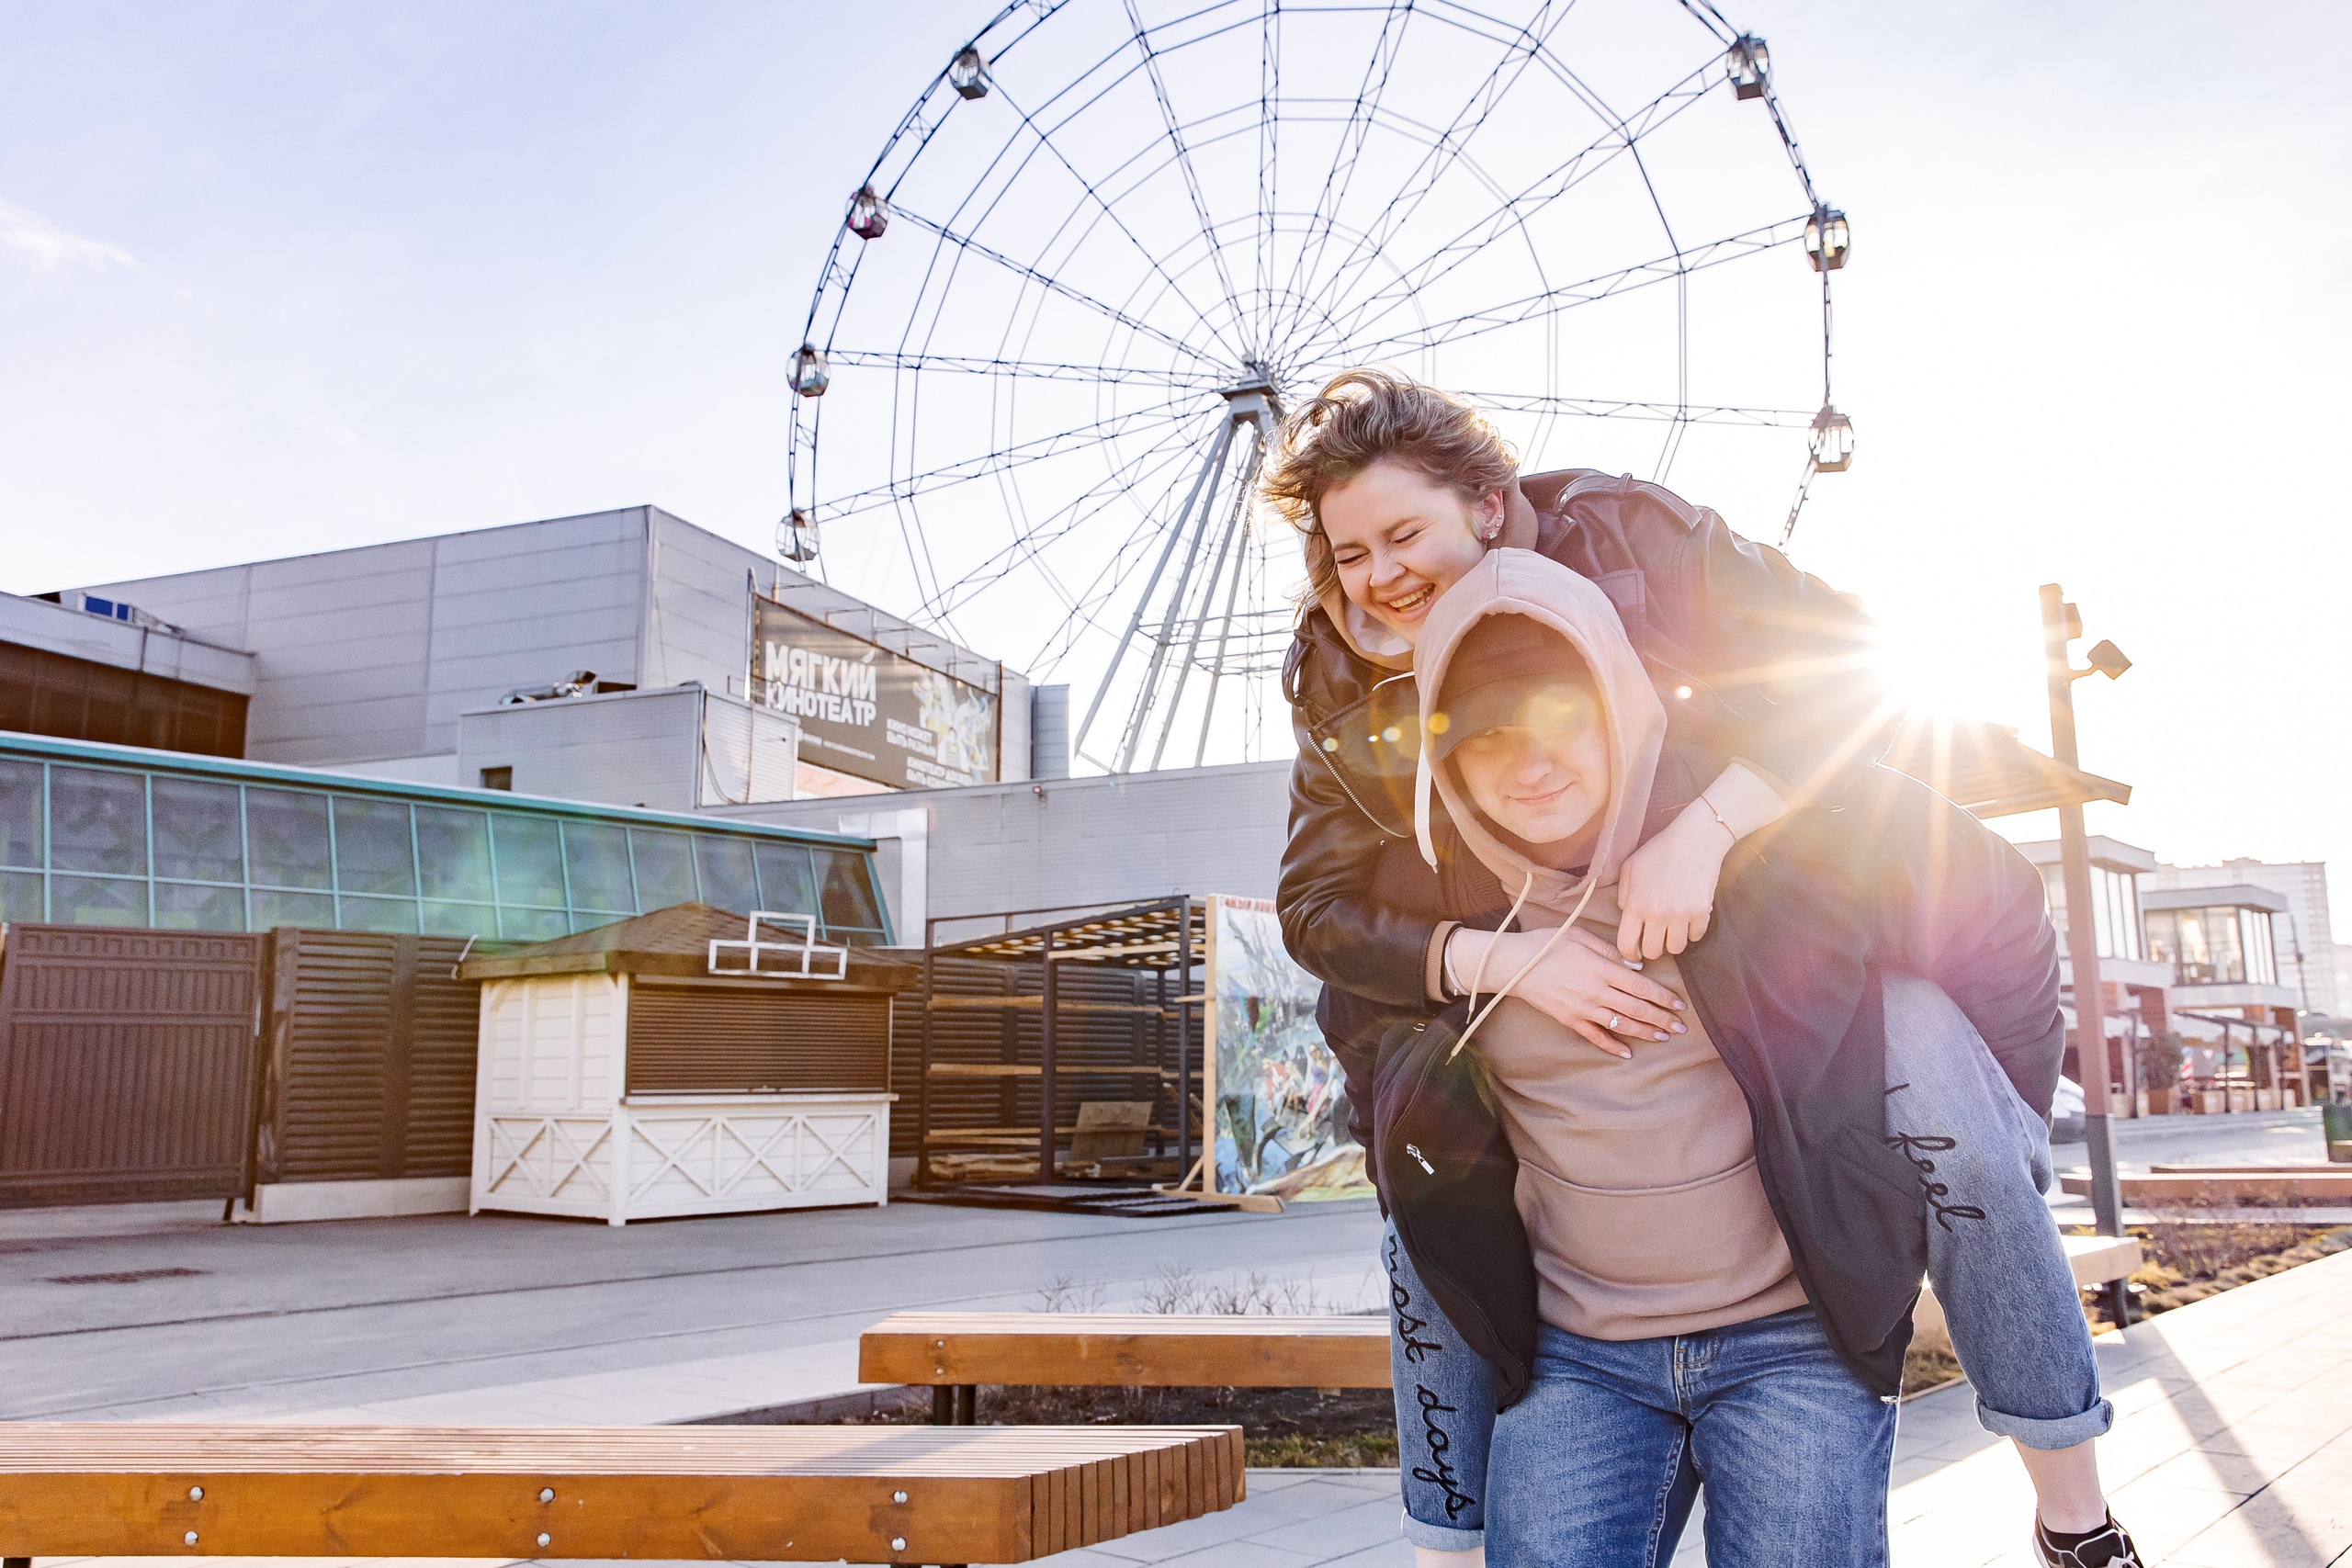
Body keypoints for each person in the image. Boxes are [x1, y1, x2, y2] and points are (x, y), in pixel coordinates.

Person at [1261, 370, 2136, 1568]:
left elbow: (1861, 674)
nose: (1381, 575)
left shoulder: (1635, 541)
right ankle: (1447, 1536)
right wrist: (1498, 959)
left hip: (1753, 865)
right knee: (1421, 1178)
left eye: (1404, 533)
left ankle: (2076, 1516)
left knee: (1957, 1126)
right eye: (1349, 553)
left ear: (1492, 503)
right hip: (1521, 947)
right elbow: (1316, 907)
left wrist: (1716, 826)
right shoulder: (1339, 675)